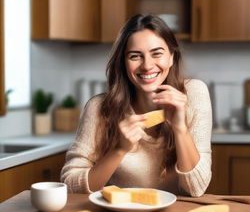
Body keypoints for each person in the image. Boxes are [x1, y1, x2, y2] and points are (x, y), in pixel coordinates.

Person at [61, 14, 212, 197]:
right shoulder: (98, 108)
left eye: (157, 53)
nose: (147, 66)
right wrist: (119, 149)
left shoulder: (194, 93)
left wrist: (180, 129)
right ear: (123, 62)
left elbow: (197, 188)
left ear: (171, 57)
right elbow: (70, 185)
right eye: (135, 56)